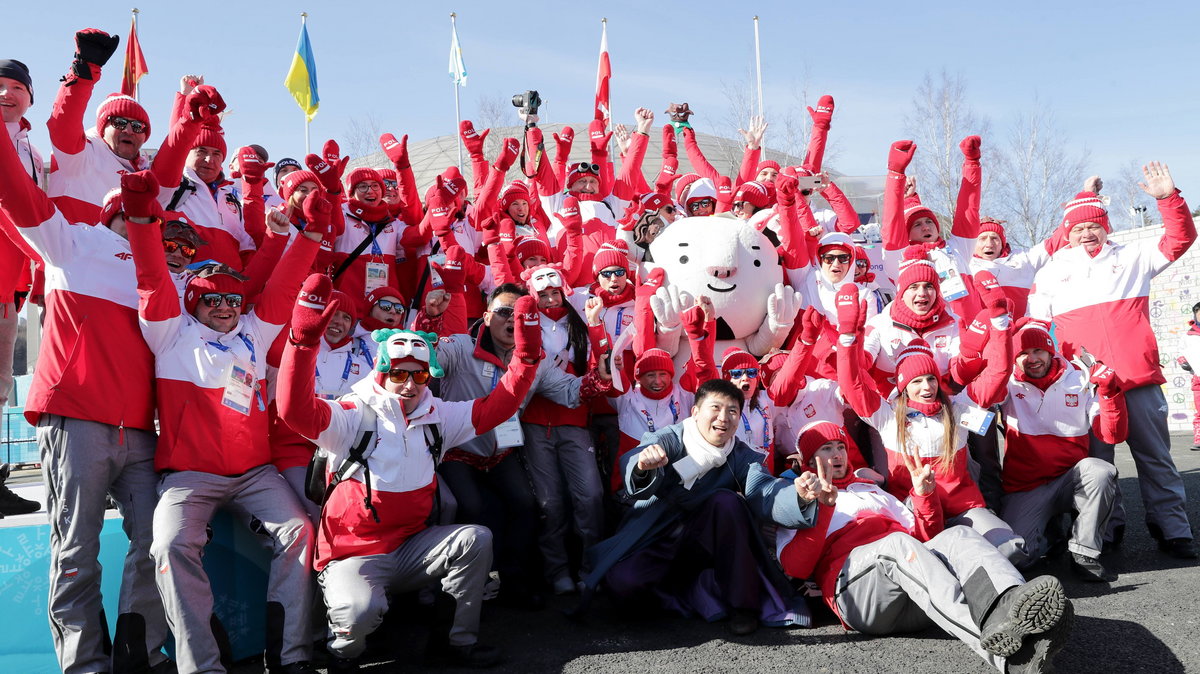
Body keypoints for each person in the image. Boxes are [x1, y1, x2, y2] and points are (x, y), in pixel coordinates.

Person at [276, 283, 546, 671]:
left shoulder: (437, 415)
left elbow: (496, 408)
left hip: (409, 547)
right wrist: (301, 344)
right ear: (382, 371)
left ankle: (454, 642)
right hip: (355, 553)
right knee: (358, 616)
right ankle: (339, 652)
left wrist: (527, 358)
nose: (409, 384)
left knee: (475, 539)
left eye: (419, 376)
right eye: (399, 373)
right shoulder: (353, 412)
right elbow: (294, 411)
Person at [124, 167, 327, 673]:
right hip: (189, 476)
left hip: (256, 474)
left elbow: (281, 289)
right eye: (212, 298)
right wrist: (143, 219)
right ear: (194, 302)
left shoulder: (253, 333)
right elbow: (152, 276)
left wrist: (312, 235)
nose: (223, 307)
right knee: (169, 545)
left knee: (299, 533)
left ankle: (291, 656)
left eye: (232, 299)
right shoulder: (170, 332)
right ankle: (203, 665)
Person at [0, 110, 175, 674]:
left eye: (151, 215)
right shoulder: (72, 242)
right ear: (111, 211)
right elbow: (18, 194)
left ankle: (137, 655)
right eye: (133, 213)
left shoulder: (168, 274)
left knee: (157, 545)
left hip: (140, 430)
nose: (143, 221)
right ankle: (84, 665)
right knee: (76, 549)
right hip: (75, 417)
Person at [777, 422, 1074, 673]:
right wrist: (822, 508)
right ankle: (1010, 655)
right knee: (895, 544)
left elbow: (925, 539)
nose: (837, 454)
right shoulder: (800, 497)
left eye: (840, 446)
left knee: (958, 535)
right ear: (809, 458)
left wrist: (924, 497)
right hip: (859, 595)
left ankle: (1009, 605)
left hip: (913, 587)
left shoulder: (869, 489)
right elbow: (794, 567)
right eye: (825, 449)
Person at [1030, 162, 1197, 559]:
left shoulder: (1135, 255)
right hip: (1085, 390)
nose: (1086, 233)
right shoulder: (1052, 271)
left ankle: (1172, 528)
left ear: (1106, 225)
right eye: (1077, 228)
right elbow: (1036, 329)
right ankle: (1106, 529)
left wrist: (1167, 199)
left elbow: (1180, 238)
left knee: (1156, 458)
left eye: (1094, 225)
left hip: (1137, 380)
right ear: (1067, 234)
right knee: (1099, 465)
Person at [583, 379, 818, 634]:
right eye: (715, 408)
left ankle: (742, 606)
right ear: (695, 412)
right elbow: (637, 455)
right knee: (623, 586)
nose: (723, 417)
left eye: (732, 411)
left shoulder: (742, 456)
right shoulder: (670, 439)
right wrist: (642, 464)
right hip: (657, 536)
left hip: (702, 542)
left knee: (727, 502)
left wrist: (799, 496)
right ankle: (691, 592)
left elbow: (765, 491)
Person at [435, 284, 611, 608]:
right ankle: (458, 588)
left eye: (519, 316)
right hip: (456, 451)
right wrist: (432, 321)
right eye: (504, 312)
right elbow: (430, 358)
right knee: (470, 506)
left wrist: (597, 378)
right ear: (486, 316)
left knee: (527, 505)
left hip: (500, 452)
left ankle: (514, 581)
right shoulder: (460, 346)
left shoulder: (535, 359)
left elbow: (571, 392)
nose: (511, 320)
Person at [837, 281, 1031, 566]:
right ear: (903, 386)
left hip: (963, 506)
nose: (926, 386)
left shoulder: (958, 410)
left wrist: (1000, 322)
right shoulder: (889, 415)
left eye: (930, 379)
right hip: (913, 510)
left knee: (1011, 549)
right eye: (916, 381)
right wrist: (847, 337)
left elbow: (998, 374)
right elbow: (852, 385)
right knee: (925, 563)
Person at [998, 320, 1123, 582]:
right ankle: (1051, 535)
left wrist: (1110, 393)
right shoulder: (1007, 381)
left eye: (1038, 351)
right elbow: (984, 396)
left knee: (1101, 472)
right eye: (1022, 353)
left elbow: (1112, 435)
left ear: (1051, 351)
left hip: (1070, 480)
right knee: (1018, 558)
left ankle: (1084, 552)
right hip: (1027, 486)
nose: (1031, 359)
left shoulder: (1079, 379)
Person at [46, 29, 150, 224]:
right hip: (72, 253)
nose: (128, 130)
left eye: (137, 126)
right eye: (119, 122)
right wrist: (84, 73)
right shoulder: (82, 156)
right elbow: (63, 125)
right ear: (102, 128)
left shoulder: (144, 173)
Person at [1178, 301, 1200, 451]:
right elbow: (1180, 352)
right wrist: (1184, 362)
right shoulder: (1188, 336)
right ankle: (1199, 439)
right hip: (1198, 377)